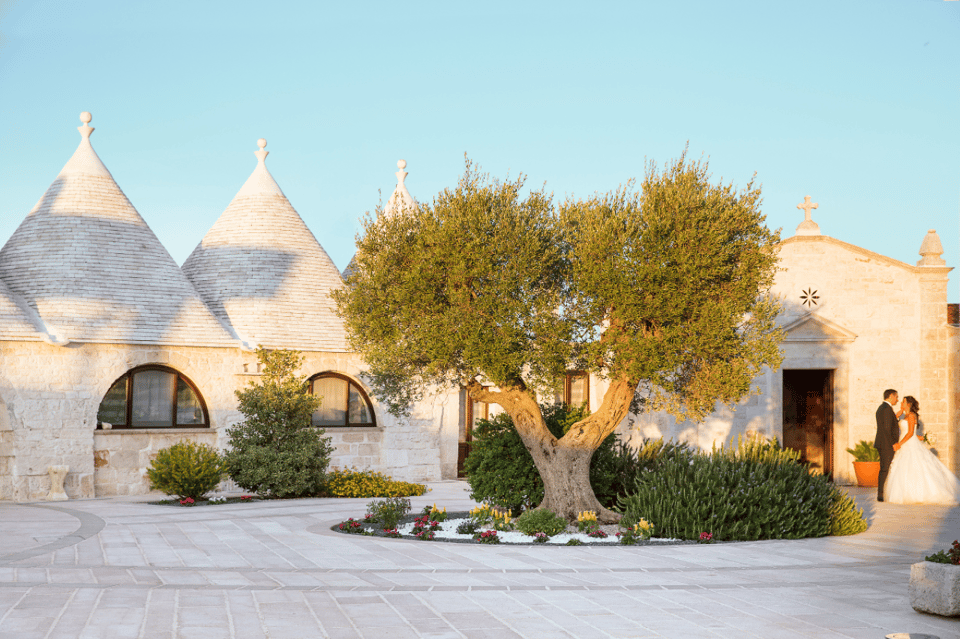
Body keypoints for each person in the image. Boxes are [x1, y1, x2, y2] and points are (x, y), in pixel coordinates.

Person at [885, 396, 960, 504]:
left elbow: (910, 433)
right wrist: (899, 413)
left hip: (908, 444)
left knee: (913, 466)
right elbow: (895, 423)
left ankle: (919, 493)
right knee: (903, 467)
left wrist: (899, 444)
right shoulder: (904, 415)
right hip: (905, 443)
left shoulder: (911, 415)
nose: (901, 402)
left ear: (908, 404)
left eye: (903, 401)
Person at [874, 389, 901, 502]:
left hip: (883, 443)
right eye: (896, 397)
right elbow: (886, 428)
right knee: (885, 468)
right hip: (886, 444)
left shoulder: (883, 408)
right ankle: (880, 494)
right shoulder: (886, 409)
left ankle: (883, 492)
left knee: (884, 468)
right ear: (890, 396)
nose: (897, 399)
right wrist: (893, 443)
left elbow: (889, 422)